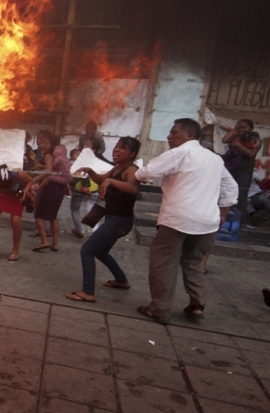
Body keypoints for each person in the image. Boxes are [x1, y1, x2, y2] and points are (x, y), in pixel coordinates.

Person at [134, 118, 238, 324]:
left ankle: (159, 309)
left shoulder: (180, 153)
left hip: (177, 220)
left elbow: (143, 172)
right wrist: (223, 213)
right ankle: (197, 305)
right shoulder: (215, 159)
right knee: (193, 262)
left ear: (190, 135)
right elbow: (231, 187)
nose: (169, 137)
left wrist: (139, 175)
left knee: (163, 264)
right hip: (207, 223)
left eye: (174, 133)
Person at [66, 137, 141, 303]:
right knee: (100, 251)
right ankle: (121, 280)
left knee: (87, 250)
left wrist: (110, 181)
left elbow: (133, 188)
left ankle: (87, 291)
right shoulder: (117, 167)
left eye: (122, 148)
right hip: (113, 217)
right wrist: (90, 171)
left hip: (120, 220)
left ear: (132, 153)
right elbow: (101, 180)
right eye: (116, 147)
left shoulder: (131, 170)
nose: (117, 150)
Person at [29, 132, 71, 252]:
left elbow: (48, 171)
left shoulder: (48, 155)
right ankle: (55, 244)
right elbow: (53, 169)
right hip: (58, 189)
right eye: (41, 142)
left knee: (38, 215)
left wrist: (32, 181)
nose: (42, 145)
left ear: (52, 144)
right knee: (52, 217)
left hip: (50, 187)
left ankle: (44, 241)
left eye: (45, 143)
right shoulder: (56, 155)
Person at [222, 120, 260, 217]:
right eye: (240, 127)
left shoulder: (254, 139)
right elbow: (224, 140)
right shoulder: (235, 136)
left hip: (245, 171)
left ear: (251, 129)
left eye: (245, 127)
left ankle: (240, 220)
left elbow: (251, 154)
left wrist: (239, 145)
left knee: (242, 195)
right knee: (226, 192)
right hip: (231, 169)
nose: (242, 129)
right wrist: (235, 129)